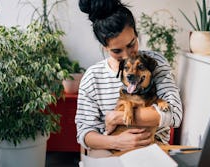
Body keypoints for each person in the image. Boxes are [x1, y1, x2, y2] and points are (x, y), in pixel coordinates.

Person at [75, 0, 183, 157]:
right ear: (104, 47)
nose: (127, 55)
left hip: (153, 146)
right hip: (109, 147)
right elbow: (85, 133)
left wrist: (117, 117)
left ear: (136, 34)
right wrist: (117, 142)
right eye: (117, 50)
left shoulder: (155, 64)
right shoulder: (92, 77)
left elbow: (174, 114)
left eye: (132, 44)